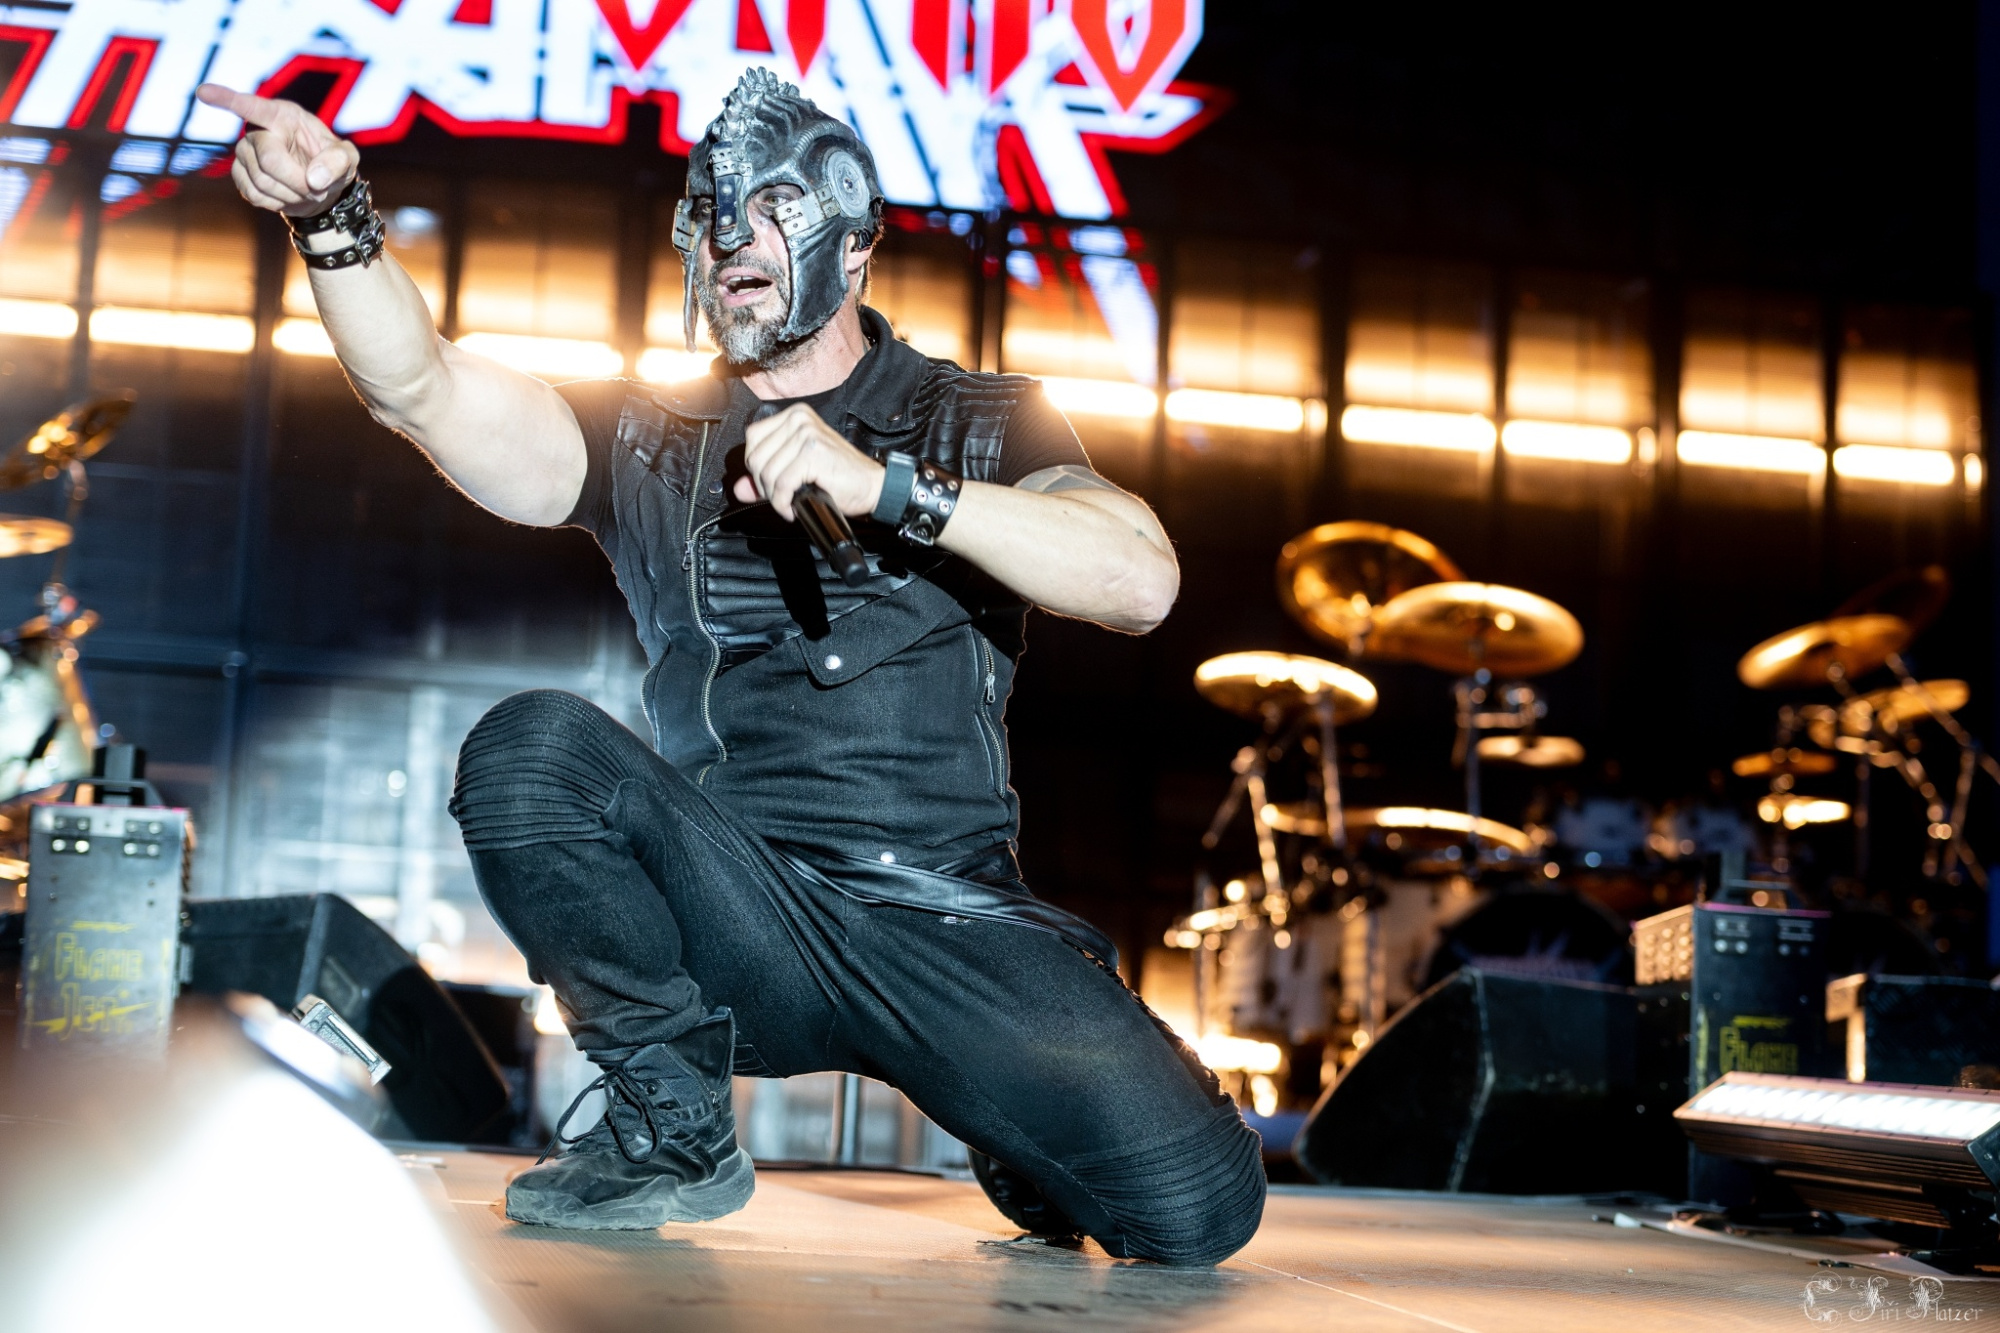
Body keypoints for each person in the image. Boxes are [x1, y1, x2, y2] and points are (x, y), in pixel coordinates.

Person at [198, 68, 1265, 1266]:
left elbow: (1138, 580)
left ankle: (1011, 1112)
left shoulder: (979, 420)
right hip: (737, 918)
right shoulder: (647, 440)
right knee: (531, 748)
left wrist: (889, 489)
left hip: (944, 920)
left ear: (854, 244)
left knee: (1197, 1217)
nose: (729, 237)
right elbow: (421, 387)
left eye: (770, 208)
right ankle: (671, 1124)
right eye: (709, 213)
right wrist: (331, 217)